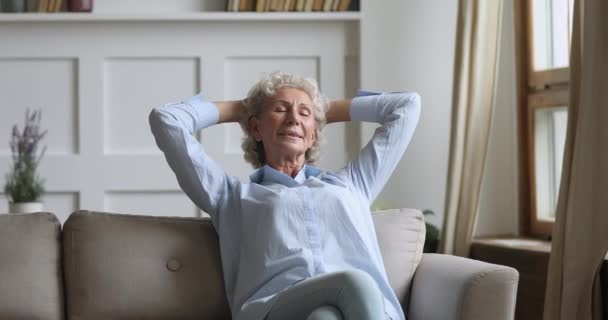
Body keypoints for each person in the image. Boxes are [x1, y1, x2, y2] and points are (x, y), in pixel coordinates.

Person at [149, 71, 421, 320]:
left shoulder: (352, 184)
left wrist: (324, 111)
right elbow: (167, 120)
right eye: (280, 109)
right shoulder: (230, 196)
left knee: (323, 318)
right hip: (275, 308)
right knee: (356, 283)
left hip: (363, 310)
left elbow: (407, 105)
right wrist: (240, 109)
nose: (293, 118)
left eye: (304, 114)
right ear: (255, 128)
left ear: (313, 134)